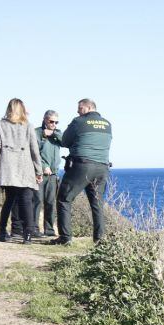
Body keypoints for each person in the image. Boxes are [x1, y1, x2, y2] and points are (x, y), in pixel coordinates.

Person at [55, 98, 112, 245]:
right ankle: (99, 240)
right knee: (97, 204)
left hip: (83, 166)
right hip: (102, 167)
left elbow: (65, 141)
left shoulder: (78, 122)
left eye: (80, 108)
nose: (77, 111)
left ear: (87, 108)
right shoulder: (107, 124)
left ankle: (65, 238)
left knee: (64, 198)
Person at [0, 98, 43, 244]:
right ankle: (27, 236)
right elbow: (35, 151)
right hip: (24, 168)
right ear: (22, 109)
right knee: (26, 201)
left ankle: (2, 232)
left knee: (9, 201)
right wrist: (38, 171)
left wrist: (7, 150)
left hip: (8, 168)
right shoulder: (28, 126)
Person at [34, 110, 64, 237]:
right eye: (51, 121)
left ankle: (49, 230)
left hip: (53, 174)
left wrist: (53, 133)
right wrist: (43, 166)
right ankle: (33, 229)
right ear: (45, 119)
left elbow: (65, 142)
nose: (54, 124)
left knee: (51, 203)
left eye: (56, 122)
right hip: (39, 173)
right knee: (36, 202)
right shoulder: (36, 132)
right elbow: (34, 153)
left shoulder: (58, 133)